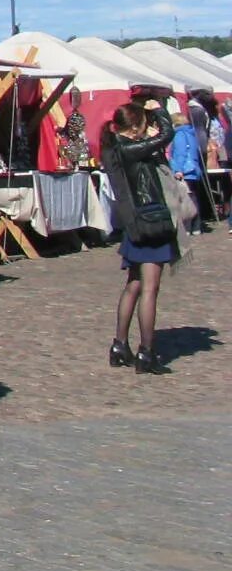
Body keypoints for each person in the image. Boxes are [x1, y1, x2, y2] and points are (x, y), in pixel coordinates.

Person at [103, 106, 178, 373]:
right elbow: (167, 136)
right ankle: (147, 351)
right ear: (134, 128)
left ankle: (119, 345)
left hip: (136, 223)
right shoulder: (128, 149)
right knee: (149, 288)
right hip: (149, 224)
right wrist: (161, 112)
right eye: (143, 125)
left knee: (134, 284)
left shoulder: (117, 148)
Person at [166, 101, 211, 233]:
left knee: (186, 199)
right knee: (194, 197)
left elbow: (180, 154)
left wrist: (178, 169)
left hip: (185, 170)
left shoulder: (180, 134)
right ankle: (196, 226)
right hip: (194, 169)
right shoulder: (191, 133)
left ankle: (188, 226)